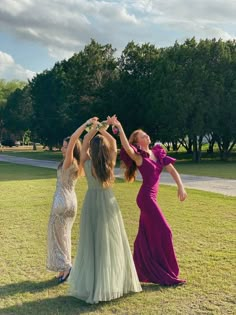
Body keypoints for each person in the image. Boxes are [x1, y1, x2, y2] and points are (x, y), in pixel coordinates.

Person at [68, 118, 142, 304]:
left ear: (92, 149)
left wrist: (94, 128)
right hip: (108, 201)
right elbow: (114, 143)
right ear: (105, 149)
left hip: (92, 202)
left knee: (92, 243)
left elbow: (84, 142)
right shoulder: (110, 161)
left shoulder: (86, 161)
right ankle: (112, 282)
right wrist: (106, 128)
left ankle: (96, 284)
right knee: (110, 242)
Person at [110, 116, 187, 286]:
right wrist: (119, 127)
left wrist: (180, 187)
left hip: (151, 198)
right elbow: (126, 146)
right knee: (166, 232)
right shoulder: (139, 157)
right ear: (137, 142)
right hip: (146, 199)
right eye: (142, 136)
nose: (146, 136)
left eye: (146, 135)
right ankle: (166, 273)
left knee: (144, 237)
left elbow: (173, 171)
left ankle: (137, 271)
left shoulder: (158, 153)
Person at [47, 118, 97, 283]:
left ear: (70, 147)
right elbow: (82, 142)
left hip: (61, 201)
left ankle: (67, 267)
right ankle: (64, 269)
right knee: (65, 235)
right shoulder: (78, 162)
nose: (62, 147)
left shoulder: (69, 160)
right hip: (72, 202)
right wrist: (94, 127)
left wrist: (86, 123)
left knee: (57, 237)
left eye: (65, 145)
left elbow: (76, 137)